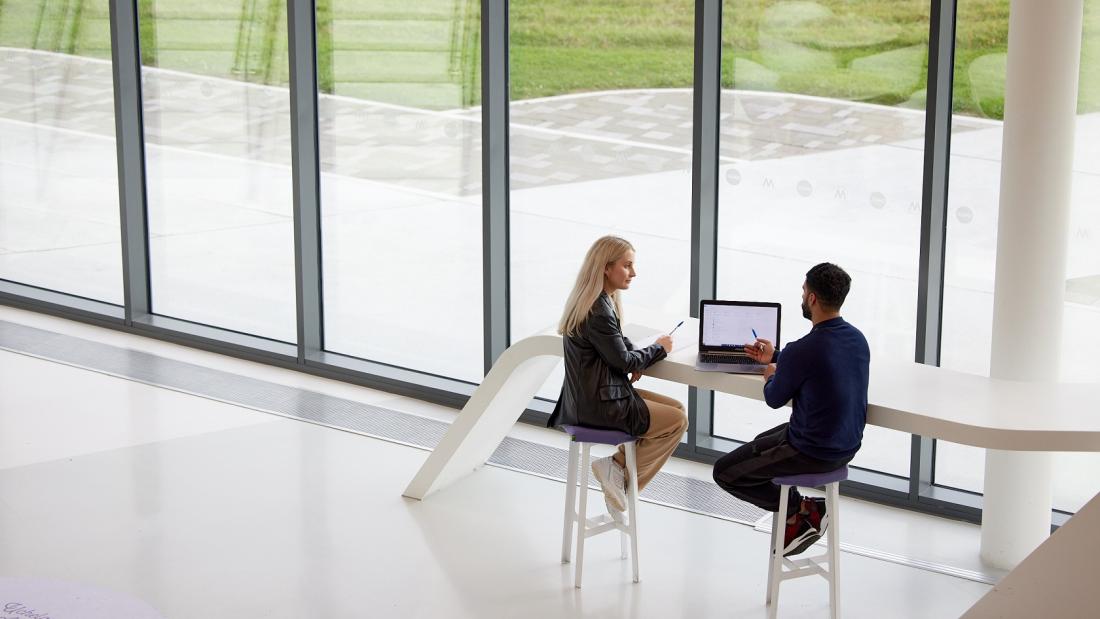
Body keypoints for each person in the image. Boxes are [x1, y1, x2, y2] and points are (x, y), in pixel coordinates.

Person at [712, 262, 869, 557]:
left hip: (811, 451)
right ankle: (802, 509)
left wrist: (771, 373)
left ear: (811, 298)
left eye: (803, 290)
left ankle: (802, 509)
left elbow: (773, 397)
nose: (802, 295)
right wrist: (778, 356)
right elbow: (821, 362)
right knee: (760, 442)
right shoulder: (857, 339)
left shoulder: (804, 349)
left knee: (725, 472)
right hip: (846, 446)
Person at [548, 235, 689, 517]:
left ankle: (617, 481)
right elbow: (622, 360)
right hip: (601, 406)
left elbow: (616, 348)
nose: (633, 273)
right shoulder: (599, 310)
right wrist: (658, 349)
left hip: (590, 398)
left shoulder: (595, 301)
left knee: (677, 409)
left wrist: (637, 355)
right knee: (678, 421)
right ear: (605, 268)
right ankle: (618, 476)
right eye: (627, 266)